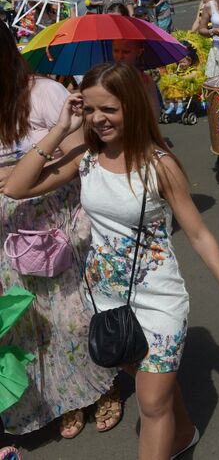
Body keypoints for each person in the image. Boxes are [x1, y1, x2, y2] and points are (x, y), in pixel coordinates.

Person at [4, 62, 219, 460]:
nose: (98, 119)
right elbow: (19, 186)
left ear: (132, 107)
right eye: (89, 109)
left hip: (159, 300)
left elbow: (199, 234)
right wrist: (60, 128)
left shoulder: (159, 165)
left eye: (109, 109)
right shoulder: (85, 157)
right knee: (145, 378)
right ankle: (185, 431)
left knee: (152, 404)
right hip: (108, 300)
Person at [0, 24, 117, 438]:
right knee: (31, 326)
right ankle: (62, 398)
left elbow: (82, 150)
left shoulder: (44, 92)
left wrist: (30, 168)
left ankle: (99, 390)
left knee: (73, 316)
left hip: (55, 221)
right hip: (7, 233)